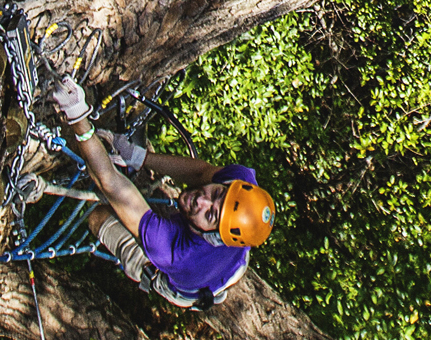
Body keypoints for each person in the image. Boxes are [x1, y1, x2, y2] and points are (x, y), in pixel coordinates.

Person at [50, 76, 276, 308]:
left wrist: (77, 115)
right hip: (235, 261)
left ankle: (170, 279)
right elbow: (201, 173)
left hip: (187, 288)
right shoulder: (241, 184)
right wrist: (139, 157)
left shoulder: (174, 251)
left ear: (211, 235)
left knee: (98, 215)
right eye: (217, 194)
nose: (203, 200)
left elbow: (109, 183)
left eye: (210, 215)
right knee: (183, 204)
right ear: (228, 185)